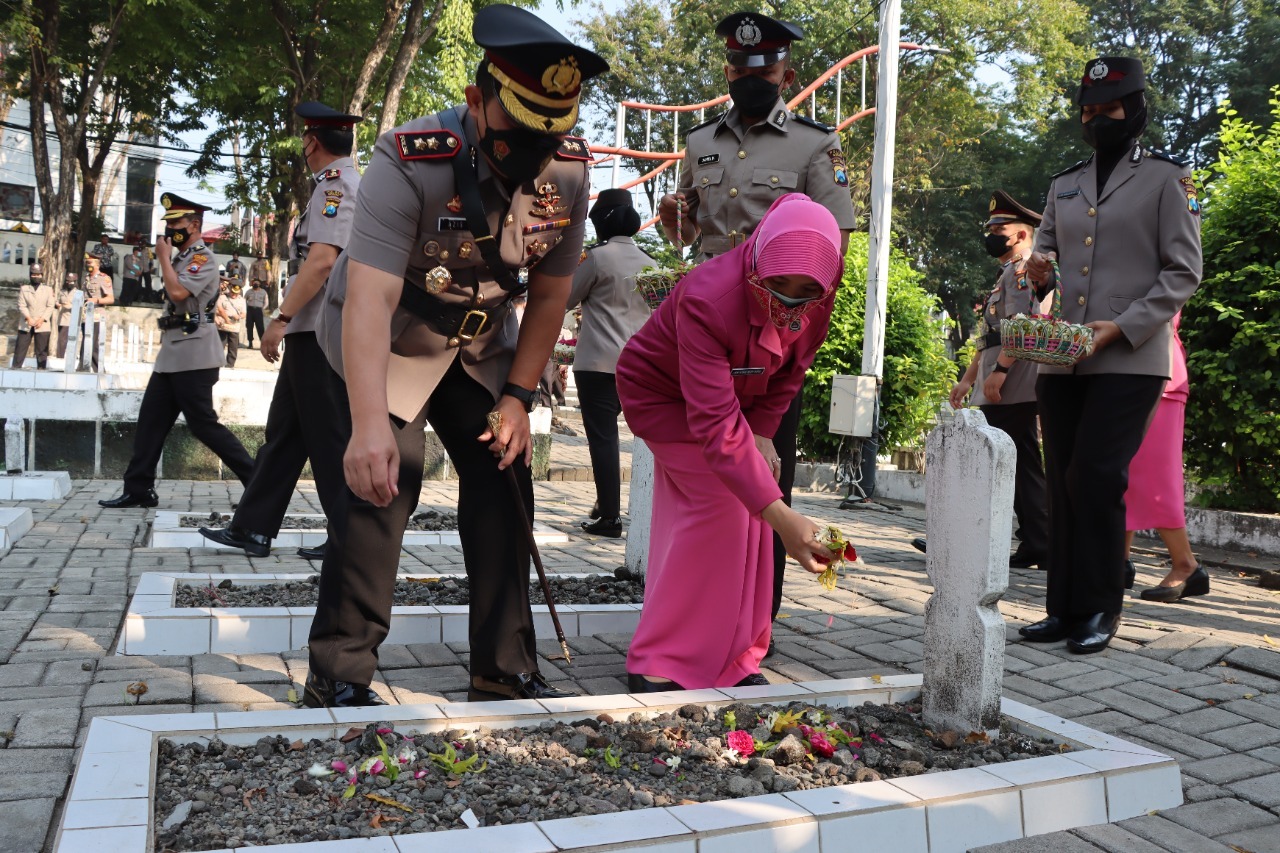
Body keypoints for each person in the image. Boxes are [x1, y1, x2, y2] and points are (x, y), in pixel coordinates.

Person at [306, 4, 607, 708]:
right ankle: (339, 672)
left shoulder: (567, 170)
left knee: (505, 472)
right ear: (478, 101)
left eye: (550, 131)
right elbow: (371, 299)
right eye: (520, 129)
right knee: (382, 482)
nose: (535, 148)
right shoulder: (409, 159)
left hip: (479, 347)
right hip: (390, 336)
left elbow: (552, 294)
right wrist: (370, 425)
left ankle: (502, 667)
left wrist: (517, 399)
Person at [657, 11, 856, 638]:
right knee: (704, 464)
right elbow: (692, 234)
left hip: (774, 331)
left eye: (763, 68)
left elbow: (835, 242)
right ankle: (702, 604)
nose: (751, 76)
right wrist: (674, 223)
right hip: (709, 326)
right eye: (741, 67)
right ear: (728, 70)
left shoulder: (813, 144)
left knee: (768, 465)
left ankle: (756, 616)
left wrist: (798, 324)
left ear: (785, 72)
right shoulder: (698, 144)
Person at [619, 193, 844, 691]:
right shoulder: (708, 296)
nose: (787, 302)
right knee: (724, 499)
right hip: (663, 397)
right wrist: (785, 518)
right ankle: (659, 657)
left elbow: (792, 370)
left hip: (733, 402)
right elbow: (715, 425)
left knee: (751, 497)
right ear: (758, 257)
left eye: (804, 291)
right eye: (776, 285)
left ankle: (737, 655)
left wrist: (762, 433)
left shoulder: (819, 298)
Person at [1018, 56, 1202, 654]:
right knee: (1066, 480)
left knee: (1096, 475)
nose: (1098, 119)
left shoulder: (1167, 181)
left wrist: (1120, 327)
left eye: (1111, 109)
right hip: (1063, 355)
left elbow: (1183, 272)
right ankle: (1064, 610)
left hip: (1131, 355)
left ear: (1137, 109)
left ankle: (1100, 608)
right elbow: (1042, 254)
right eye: (1089, 111)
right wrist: (1038, 270)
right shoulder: (1062, 183)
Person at [200, 100, 362, 563]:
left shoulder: (337, 187)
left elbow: (323, 260)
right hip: (313, 329)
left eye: (306, 141)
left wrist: (281, 319)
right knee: (286, 433)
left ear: (312, 142)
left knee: (329, 435)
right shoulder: (336, 185)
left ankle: (351, 538)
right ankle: (253, 528)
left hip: (321, 330)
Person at [100, 193, 256, 509]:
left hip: (195, 354)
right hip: (173, 351)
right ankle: (139, 488)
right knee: (150, 422)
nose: (170, 229)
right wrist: (167, 259)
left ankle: (259, 484)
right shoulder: (182, 259)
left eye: (176, 223)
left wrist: (162, 258)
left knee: (204, 426)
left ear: (195, 225)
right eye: (169, 223)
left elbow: (177, 291)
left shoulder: (203, 260)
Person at [945, 191, 1051, 568]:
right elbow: (989, 336)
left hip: (1013, 380)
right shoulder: (1007, 272)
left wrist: (1002, 371)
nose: (990, 234)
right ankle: (1036, 541)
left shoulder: (1024, 270)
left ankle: (961, 539)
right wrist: (968, 379)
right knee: (1018, 462)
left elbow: (1024, 326)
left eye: (998, 228)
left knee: (992, 457)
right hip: (997, 378)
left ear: (1021, 235)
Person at [565, 188, 654, 537]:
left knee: (603, 440)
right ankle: (619, 509)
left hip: (598, 362)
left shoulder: (596, 258)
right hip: (639, 366)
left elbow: (568, 296)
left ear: (601, 222)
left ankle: (610, 518)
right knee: (643, 442)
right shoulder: (651, 261)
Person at [1128, 314, 1207, 602]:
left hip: (1160, 378)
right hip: (1130, 374)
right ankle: (1118, 562)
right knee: (1122, 474)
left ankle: (1186, 564)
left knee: (1156, 481)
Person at [14, 263, 55, 369]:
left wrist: (42, 319)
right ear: (30, 275)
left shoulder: (48, 290)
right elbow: (21, 305)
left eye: (38, 274)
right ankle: (15, 368)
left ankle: (41, 370)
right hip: (26, 322)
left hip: (42, 323)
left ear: (42, 275)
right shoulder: (24, 289)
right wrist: (28, 318)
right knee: (20, 348)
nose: (36, 276)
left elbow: (50, 306)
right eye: (33, 274)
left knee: (41, 350)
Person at [80, 254, 114, 371]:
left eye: (90, 263)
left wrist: (96, 300)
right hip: (85, 315)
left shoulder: (104, 278)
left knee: (92, 343)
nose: (87, 265)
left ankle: (93, 368)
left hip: (96, 315)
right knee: (86, 340)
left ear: (97, 264)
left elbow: (110, 298)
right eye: (86, 263)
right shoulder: (86, 278)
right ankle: (87, 367)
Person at [55, 272, 77, 358]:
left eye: (71, 281)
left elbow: (81, 305)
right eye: (68, 281)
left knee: (70, 341)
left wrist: (70, 306)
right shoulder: (62, 292)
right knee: (61, 340)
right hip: (62, 319)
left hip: (72, 319)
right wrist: (57, 304)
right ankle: (60, 357)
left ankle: (71, 357)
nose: (69, 283)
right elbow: (57, 301)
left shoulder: (78, 293)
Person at [244, 278, 268, 348]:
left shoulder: (263, 292)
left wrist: (262, 309)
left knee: (260, 327)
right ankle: (250, 343)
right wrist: (245, 308)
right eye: (254, 283)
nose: (255, 284)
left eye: (257, 283)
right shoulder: (248, 291)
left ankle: (263, 344)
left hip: (258, 310)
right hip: (250, 310)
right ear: (252, 284)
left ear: (260, 284)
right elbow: (244, 299)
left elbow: (266, 302)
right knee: (249, 326)